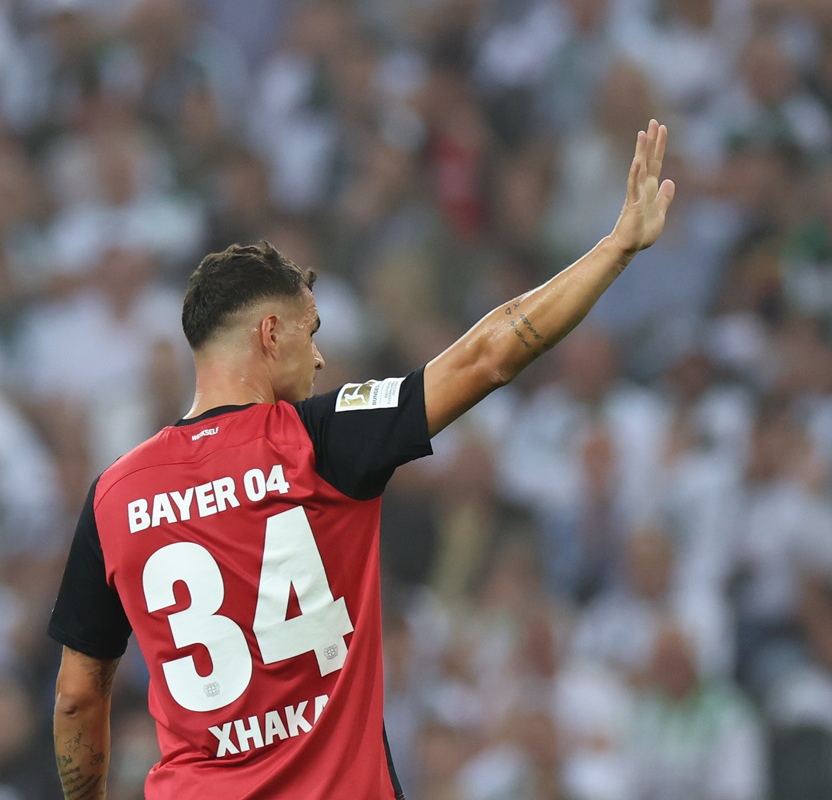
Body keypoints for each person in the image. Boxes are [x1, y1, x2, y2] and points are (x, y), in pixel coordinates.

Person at [46, 119, 676, 799]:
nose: (318, 356)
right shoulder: (318, 439)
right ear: (268, 333)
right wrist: (615, 249)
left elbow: (80, 696)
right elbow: (489, 354)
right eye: (309, 333)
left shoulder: (115, 493)